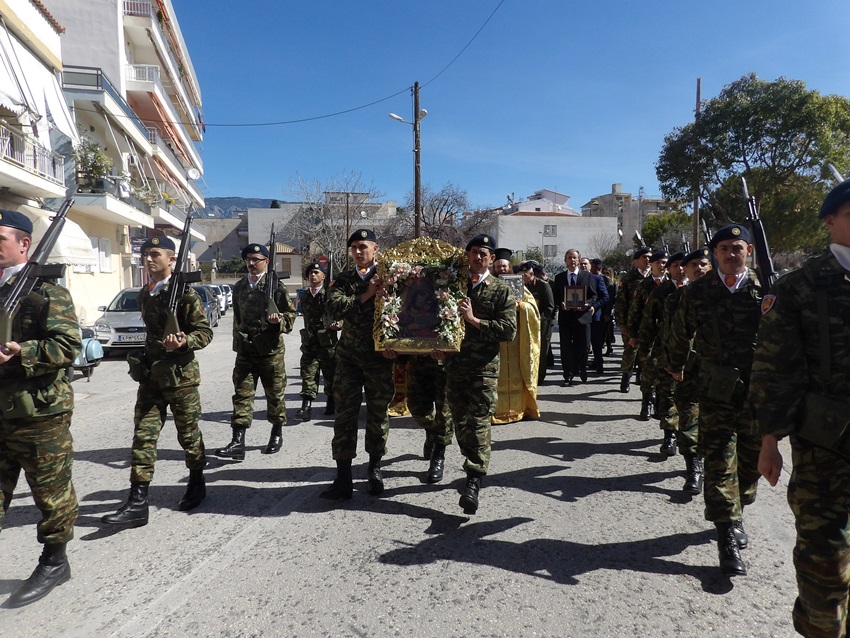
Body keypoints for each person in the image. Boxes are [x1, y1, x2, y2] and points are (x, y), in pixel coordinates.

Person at [751, 179, 850, 636]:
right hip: (826, 452)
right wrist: (769, 441)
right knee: (825, 568)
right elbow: (774, 370)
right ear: (829, 221)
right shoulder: (800, 286)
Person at [667, 225, 764, 577]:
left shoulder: (765, 289)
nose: (730, 254)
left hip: (757, 391)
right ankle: (726, 534)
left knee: (750, 465)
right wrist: (676, 366)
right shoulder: (698, 292)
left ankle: (739, 509)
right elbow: (680, 331)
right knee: (720, 461)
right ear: (714, 254)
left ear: (748, 251)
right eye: (723, 248)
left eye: (736, 247)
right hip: (716, 390)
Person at [102, 236, 213, 529]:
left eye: (155, 254)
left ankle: (197, 481)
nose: (148, 259)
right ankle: (138, 501)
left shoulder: (186, 294)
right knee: (143, 436)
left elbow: (204, 332)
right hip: (151, 376)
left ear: (171, 259)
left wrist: (184, 341)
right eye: (144, 255)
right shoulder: (144, 294)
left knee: (188, 435)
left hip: (180, 378)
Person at [0, 210, 81, 607]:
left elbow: (68, 346)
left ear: (23, 244)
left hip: (40, 414)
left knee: (51, 492)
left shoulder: (46, 291)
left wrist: (21, 351)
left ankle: (55, 561)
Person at [435, 234, 516, 514]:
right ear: (466, 256)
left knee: (479, 421)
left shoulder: (501, 291)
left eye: (484, 253)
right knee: (460, 421)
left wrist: (474, 320)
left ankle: (473, 478)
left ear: (492, 259)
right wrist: (437, 347)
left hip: (484, 368)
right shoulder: (452, 286)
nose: (478, 257)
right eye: (473, 252)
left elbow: (508, 331)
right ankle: (472, 463)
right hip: (455, 366)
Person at [320, 229, 394, 500]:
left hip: (378, 359)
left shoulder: (390, 276)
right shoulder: (344, 279)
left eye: (363, 246)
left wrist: (396, 348)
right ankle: (343, 477)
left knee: (377, 416)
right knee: (345, 417)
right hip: (349, 358)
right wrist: (366, 293)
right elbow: (333, 308)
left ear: (376, 249)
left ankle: (374, 469)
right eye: (354, 247)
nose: (358, 252)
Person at [216, 243, 296, 459]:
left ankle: (276, 433)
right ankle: (237, 441)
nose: (251, 264)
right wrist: (238, 342)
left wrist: (278, 321)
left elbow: (290, 317)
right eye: (249, 259)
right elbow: (238, 319)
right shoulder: (240, 286)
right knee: (242, 395)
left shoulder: (276, 287)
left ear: (266, 262)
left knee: (275, 395)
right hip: (246, 351)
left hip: (270, 352)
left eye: (256, 260)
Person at [662, 247, 712, 493]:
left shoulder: (726, 295)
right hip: (690, 369)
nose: (699, 269)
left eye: (703, 264)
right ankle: (694, 467)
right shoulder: (676, 299)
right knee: (690, 418)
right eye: (694, 265)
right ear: (686, 270)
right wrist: (674, 364)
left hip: (723, 373)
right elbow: (673, 335)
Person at [637, 251, 683, 453]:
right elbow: (646, 321)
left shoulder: (701, 291)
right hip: (665, 350)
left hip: (698, 357)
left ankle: (690, 445)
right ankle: (670, 435)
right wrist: (643, 349)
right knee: (667, 395)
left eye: (684, 265)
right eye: (674, 265)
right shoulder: (661, 291)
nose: (680, 269)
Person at [492, 248, 540, 424]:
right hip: (496, 340)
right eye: (498, 266)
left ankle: (518, 408)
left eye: (504, 266)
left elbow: (533, 309)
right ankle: (496, 409)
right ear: (494, 268)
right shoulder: (489, 285)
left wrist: (521, 306)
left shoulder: (519, 286)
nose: (502, 269)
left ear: (509, 267)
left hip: (516, 340)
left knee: (516, 372)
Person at [550, 249, 602, 386]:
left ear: (578, 260)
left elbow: (594, 295)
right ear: (565, 260)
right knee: (566, 347)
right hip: (566, 317)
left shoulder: (587, 276)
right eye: (569, 258)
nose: (572, 260)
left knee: (584, 346)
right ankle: (568, 374)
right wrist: (561, 303)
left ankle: (582, 367)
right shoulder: (559, 277)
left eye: (575, 258)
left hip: (582, 316)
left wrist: (587, 304)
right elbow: (555, 296)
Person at [628, 249, 669, 419]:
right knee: (648, 371)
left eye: (665, 263)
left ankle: (660, 405)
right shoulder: (644, 285)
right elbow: (635, 312)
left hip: (668, 337)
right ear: (652, 265)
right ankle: (646, 404)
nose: (662, 266)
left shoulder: (672, 285)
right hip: (648, 335)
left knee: (665, 373)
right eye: (659, 262)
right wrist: (632, 334)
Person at [296, 262, 338, 422]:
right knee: (308, 374)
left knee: (330, 376)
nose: (312, 275)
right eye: (310, 273)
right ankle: (306, 407)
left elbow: (340, 314)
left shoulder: (330, 295)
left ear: (323, 276)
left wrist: (338, 324)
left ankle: (331, 400)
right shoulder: (305, 296)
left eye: (316, 272)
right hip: (310, 343)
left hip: (327, 343)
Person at [615, 247, 651, 392]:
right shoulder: (629, 278)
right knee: (630, 351)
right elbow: (620, 302)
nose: (648, 260)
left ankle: (641, 375)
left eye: (650, 257)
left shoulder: (656, 277)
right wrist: (621, 323)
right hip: (632, 322)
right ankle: (625, 377)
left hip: (649, 323)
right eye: (644, 257)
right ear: (636, 261)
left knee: (646, 352)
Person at [519, 260, 554, 384]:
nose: (523, 278)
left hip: (542, 323)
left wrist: (539, 319)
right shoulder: (520, 286)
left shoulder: (543, 285)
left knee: (541, 349)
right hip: (526, 322)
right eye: (521, 275)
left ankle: (539, 376)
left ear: (532, 273)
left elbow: (550, 307)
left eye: (525, 275)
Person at [587, 258, 610, 374]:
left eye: (586, 264)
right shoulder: (576, 278)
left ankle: (599, 364)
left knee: (596, 341)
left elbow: (606, 297)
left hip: (595, 315)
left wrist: (595, 307)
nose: (585, 267)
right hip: (578, 315)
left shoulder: (599, 279)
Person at [601, 266, 618, 356]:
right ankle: (607, 346)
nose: (605, 275)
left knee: (608, 330)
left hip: (610, 309)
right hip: (602, 309)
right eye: (604, 273)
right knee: (605, 331)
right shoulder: (602, 282)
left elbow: (613, 298)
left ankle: (609, 346)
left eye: (607, 273)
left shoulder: (613, 283)